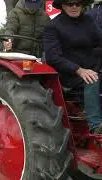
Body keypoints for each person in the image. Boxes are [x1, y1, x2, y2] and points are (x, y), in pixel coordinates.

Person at [43, 0, 102, 134]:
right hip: (68, 74)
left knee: (93, 76)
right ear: (63, 5)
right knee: (92, 79)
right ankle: (96, 126)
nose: (74, 7)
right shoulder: (53, 26)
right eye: (70, 4)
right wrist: (79, 70)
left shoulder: (88, 21)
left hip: (90, 69)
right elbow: (53, 57)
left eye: (78, 4)